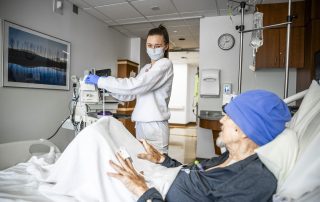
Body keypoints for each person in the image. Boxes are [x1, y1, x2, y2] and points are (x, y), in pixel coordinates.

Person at [107, 89, 292, 201]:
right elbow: (193, 171)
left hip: (148, 194)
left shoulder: (254, 182)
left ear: (244, 130)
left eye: (229, 116)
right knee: (107, 133)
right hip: (158, 181)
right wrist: (162, 160)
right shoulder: (229, 157)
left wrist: (143, 191)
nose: (221, 120)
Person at [85, 25, 173, 153]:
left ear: (166, 46)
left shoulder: (165, 64)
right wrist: (107, 88)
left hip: (155, 127)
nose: (153, 49)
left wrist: (101, 81)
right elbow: (130, 94)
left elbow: (135, 85)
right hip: (141, 125)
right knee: (143, 165)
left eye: (157, 46)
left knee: (157, 168)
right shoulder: (146, 68)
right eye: (149, 45)